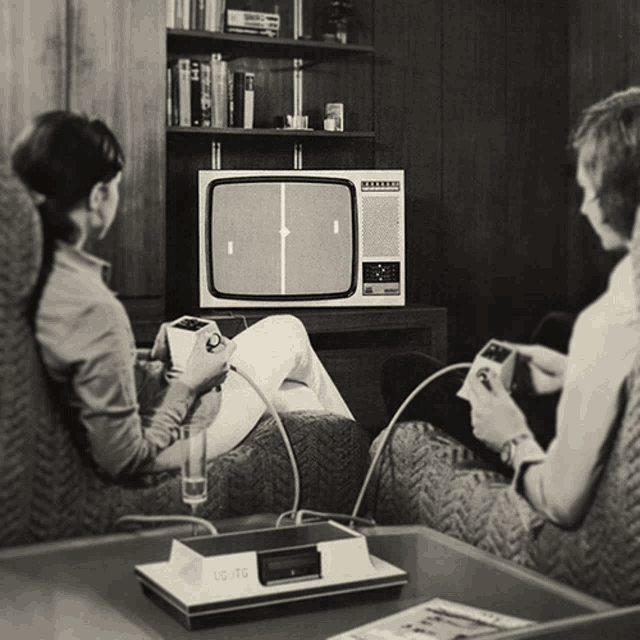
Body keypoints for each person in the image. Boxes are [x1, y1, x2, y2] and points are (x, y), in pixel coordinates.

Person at [11, 110, 354, 481]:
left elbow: (84, 368)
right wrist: (191, 382)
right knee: (288, 331)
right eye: (116, 186)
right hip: (175, 437)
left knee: (298, 397)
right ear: (97, 197)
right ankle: (375, 474)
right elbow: (125, 457)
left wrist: (144, 357)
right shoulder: (92, 305)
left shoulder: (30, 276)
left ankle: (361, 475)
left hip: (146, 407)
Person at [382, 87, 640, 530]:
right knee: (553, 328)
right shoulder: (623, 293)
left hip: (550, 466)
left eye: (588, 192)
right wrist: (575, 371)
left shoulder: (608, 325)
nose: (583, 208)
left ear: (618, 195)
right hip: (592, 419)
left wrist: (510, 436)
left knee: (404, 372)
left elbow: (561, 504)